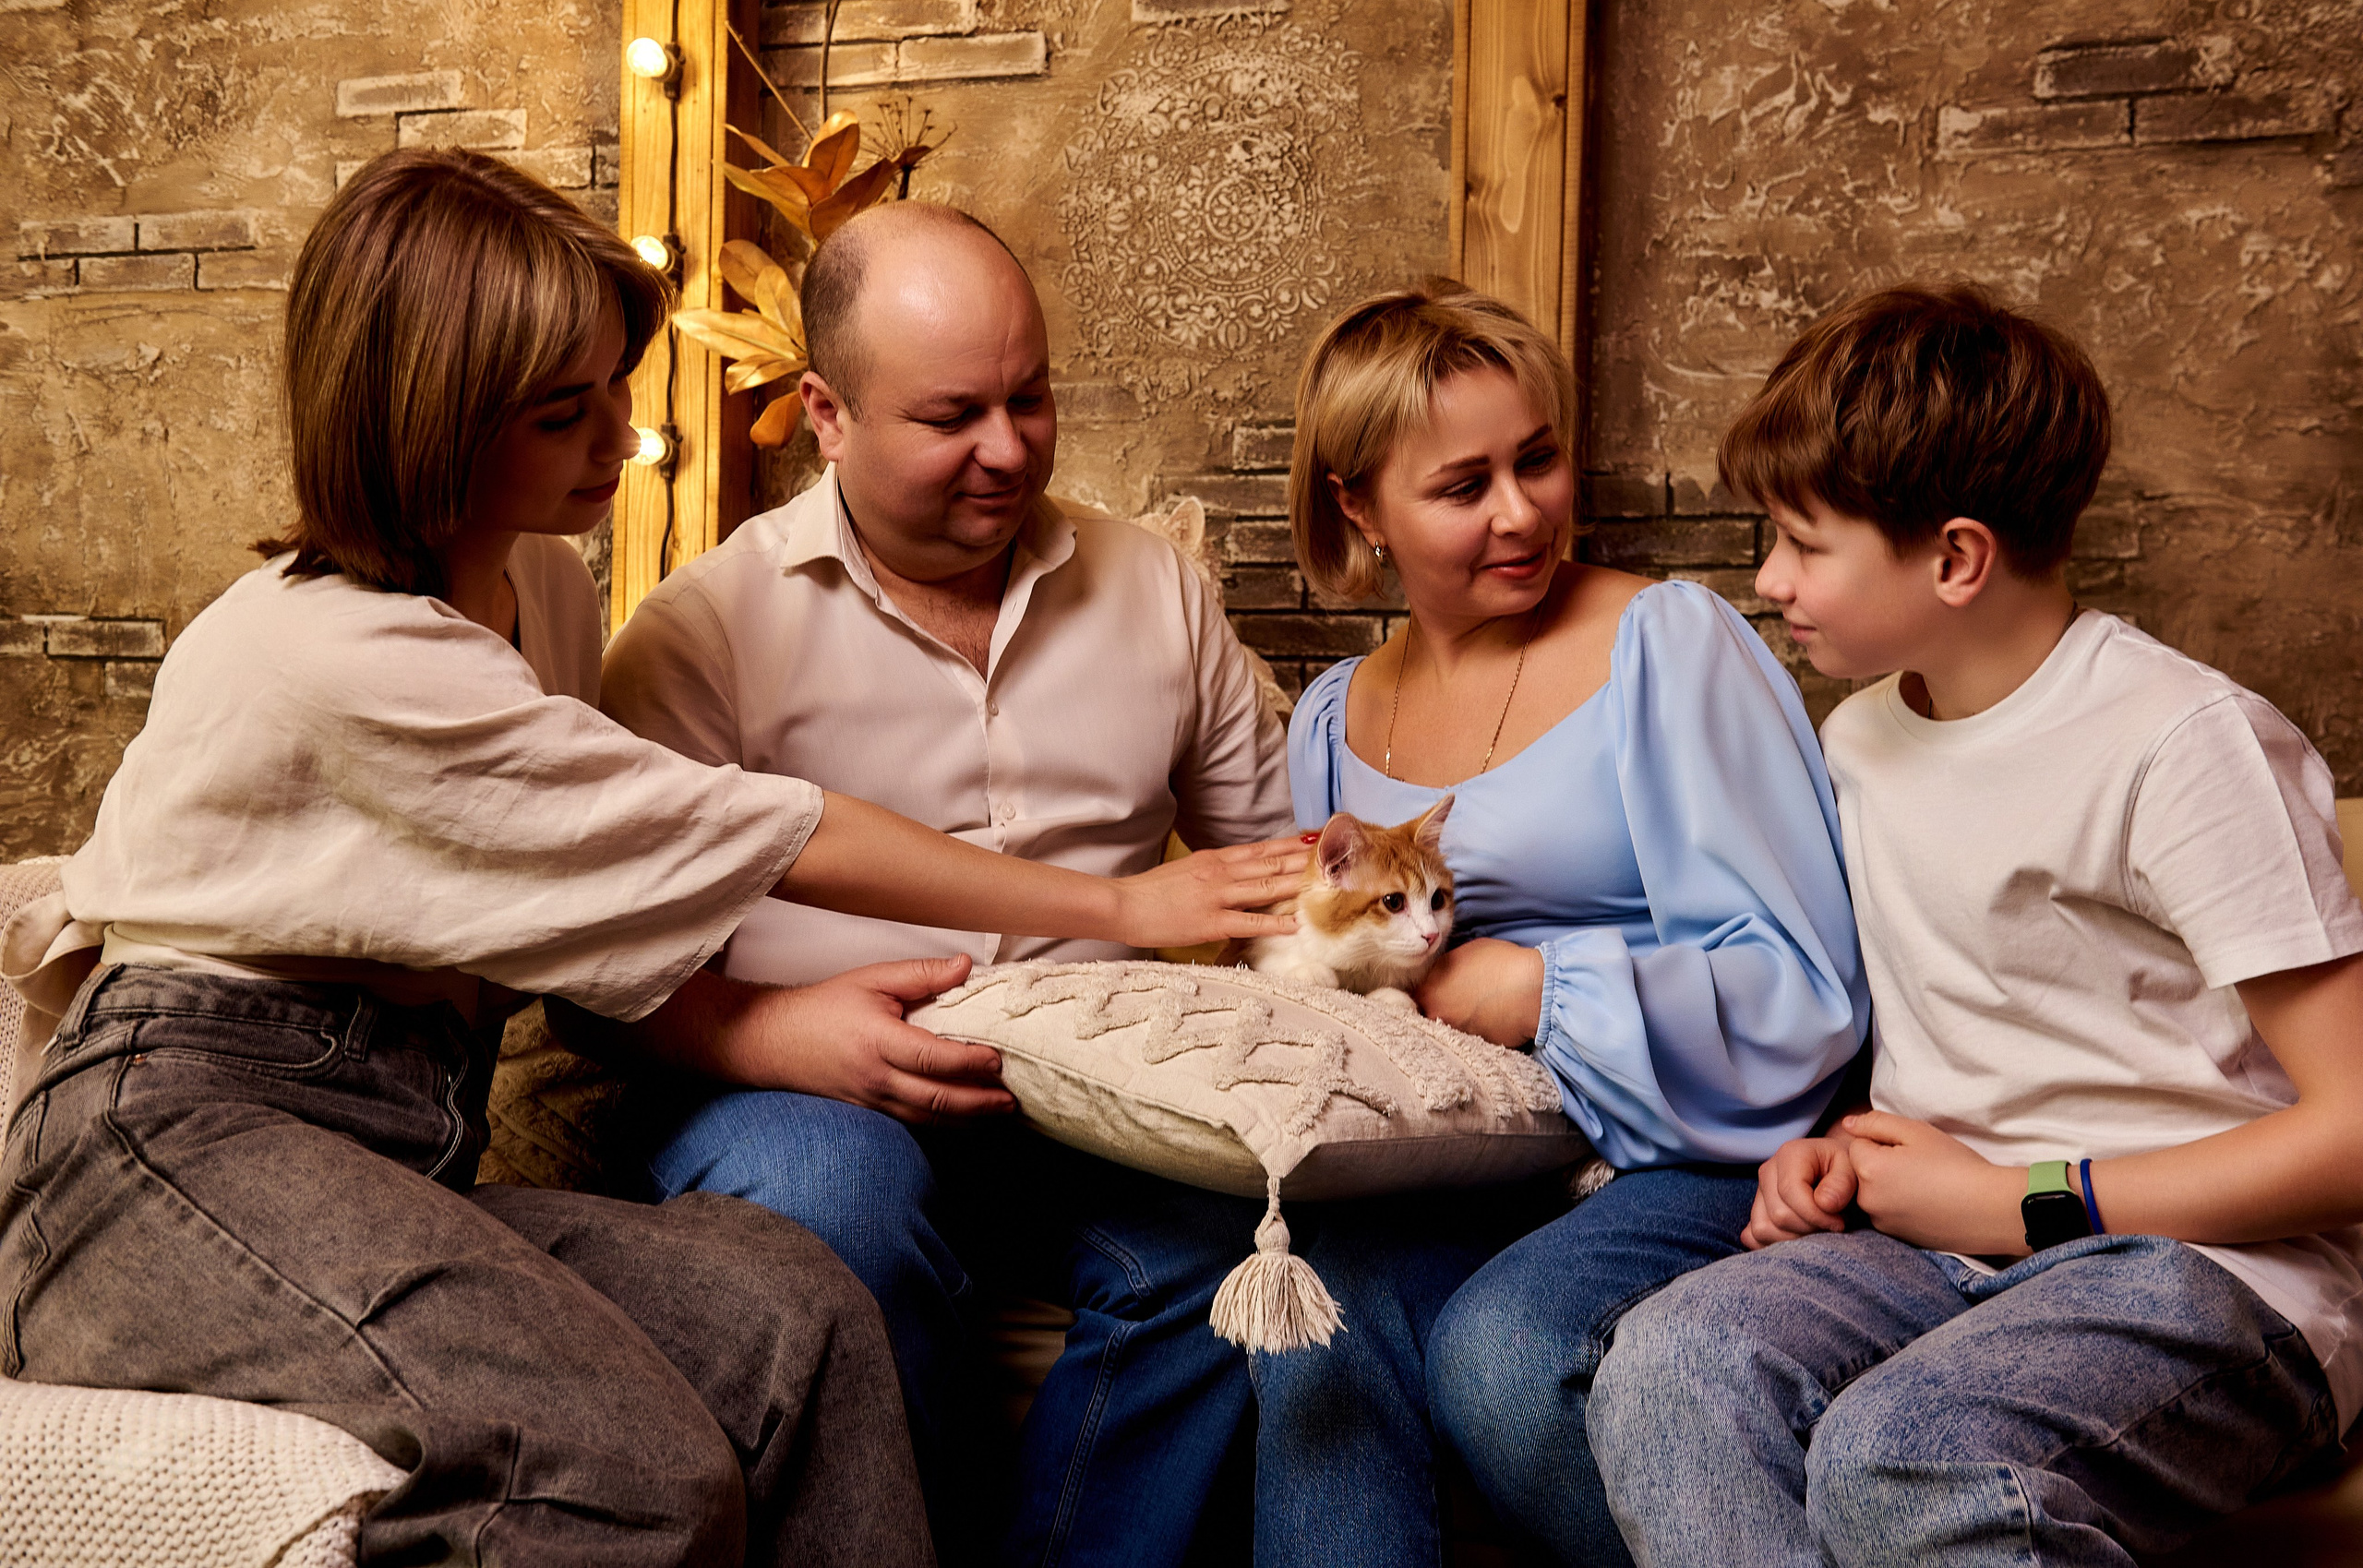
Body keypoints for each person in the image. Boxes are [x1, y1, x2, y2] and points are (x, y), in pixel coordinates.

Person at [0, 150, 1298, 1568]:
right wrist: (1117, 901)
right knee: (623, 1466)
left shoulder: (540, 582)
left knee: (795, 1321)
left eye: (614, 388)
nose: (623, 439)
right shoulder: (333, 653)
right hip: (170, 1148)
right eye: (568, 414)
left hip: (380, 1138)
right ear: (435, 427)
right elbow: (751, 831)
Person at [1588, 284, 2363, 1566]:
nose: (1768, 579)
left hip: (2215, 1276)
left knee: (1903, 1451)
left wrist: (2012, 1198)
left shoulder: (2183, 745)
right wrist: (1831, 1150)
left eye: (1802, 541)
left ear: (1955, 557)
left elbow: (2351, 1133)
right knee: (1668, 1362)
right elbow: (1971, 1019)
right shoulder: (1859, 738)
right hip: (1946, 1246)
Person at [583, 199, 1294, 1566]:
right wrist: (778, 1035)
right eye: (954, 414)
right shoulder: (699, 636)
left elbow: (1275, 887)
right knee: (833, 1206)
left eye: (1031, 399)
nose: (1010, 449)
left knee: (1235, 1237)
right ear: (827, 415)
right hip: (791, 1098)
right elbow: (591, 987)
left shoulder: (1157, 589)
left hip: (1099, 1099)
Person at [1249, 281, 1867, 1567]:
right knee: (1313, 1334)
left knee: (1509, 1348)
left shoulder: (1668, 644)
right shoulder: (1329, 722)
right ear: (1359, 507)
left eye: (1538, 458)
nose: (1522, 508)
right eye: (1463, 485)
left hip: (1693, 1155)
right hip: (1456, 1153)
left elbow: (1809, 990)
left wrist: (1545, 989)